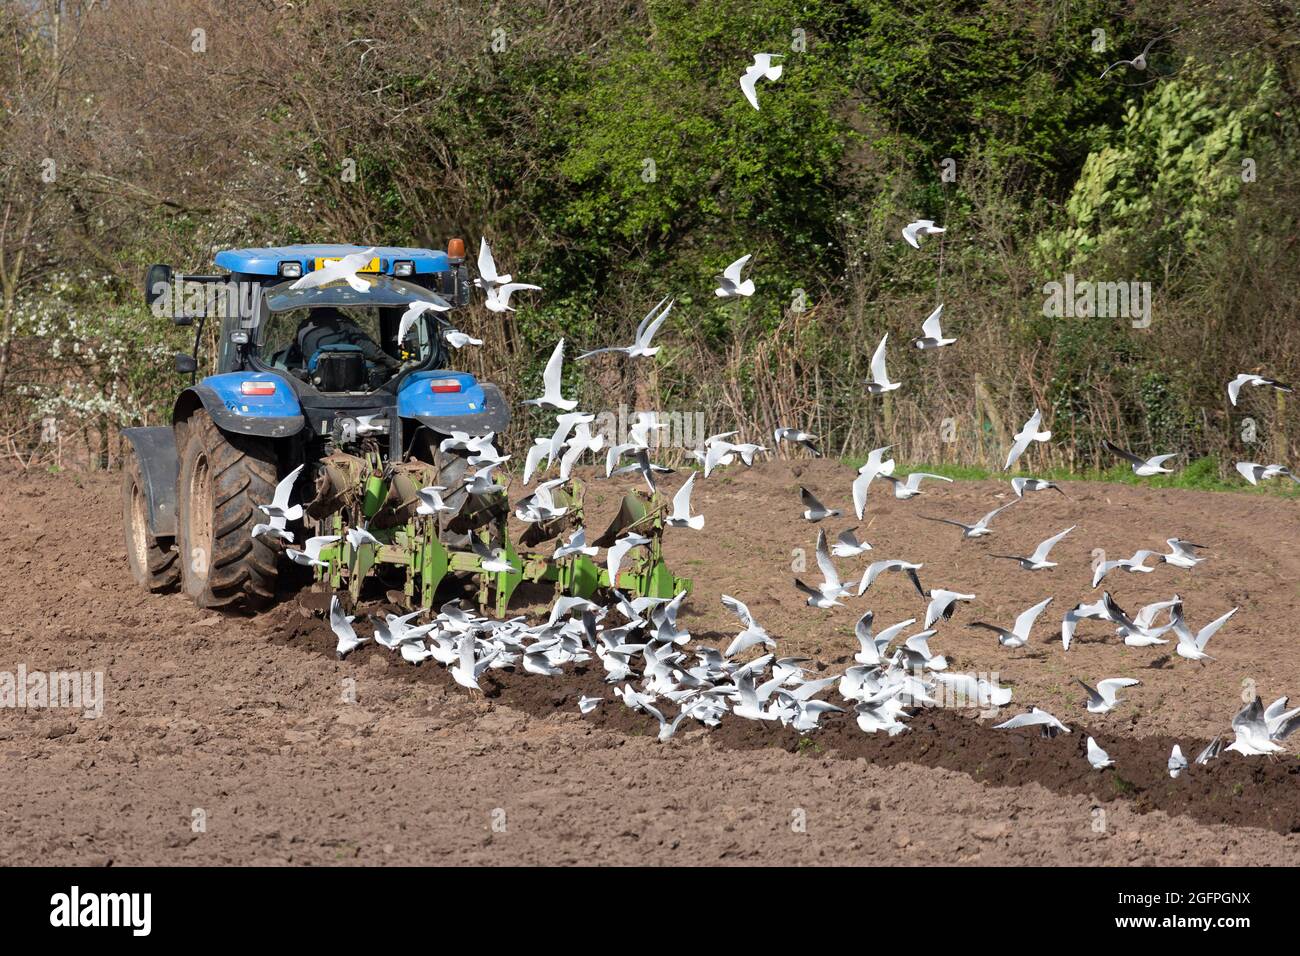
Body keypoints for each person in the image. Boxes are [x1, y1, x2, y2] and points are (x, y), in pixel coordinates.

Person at [290, 307, 399, 373]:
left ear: (311, 307)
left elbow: (298, 352)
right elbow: (370, 350)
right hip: (352, 379)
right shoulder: (345, 324)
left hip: (314, 380)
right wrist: (394, 363)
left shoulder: (303, 327)